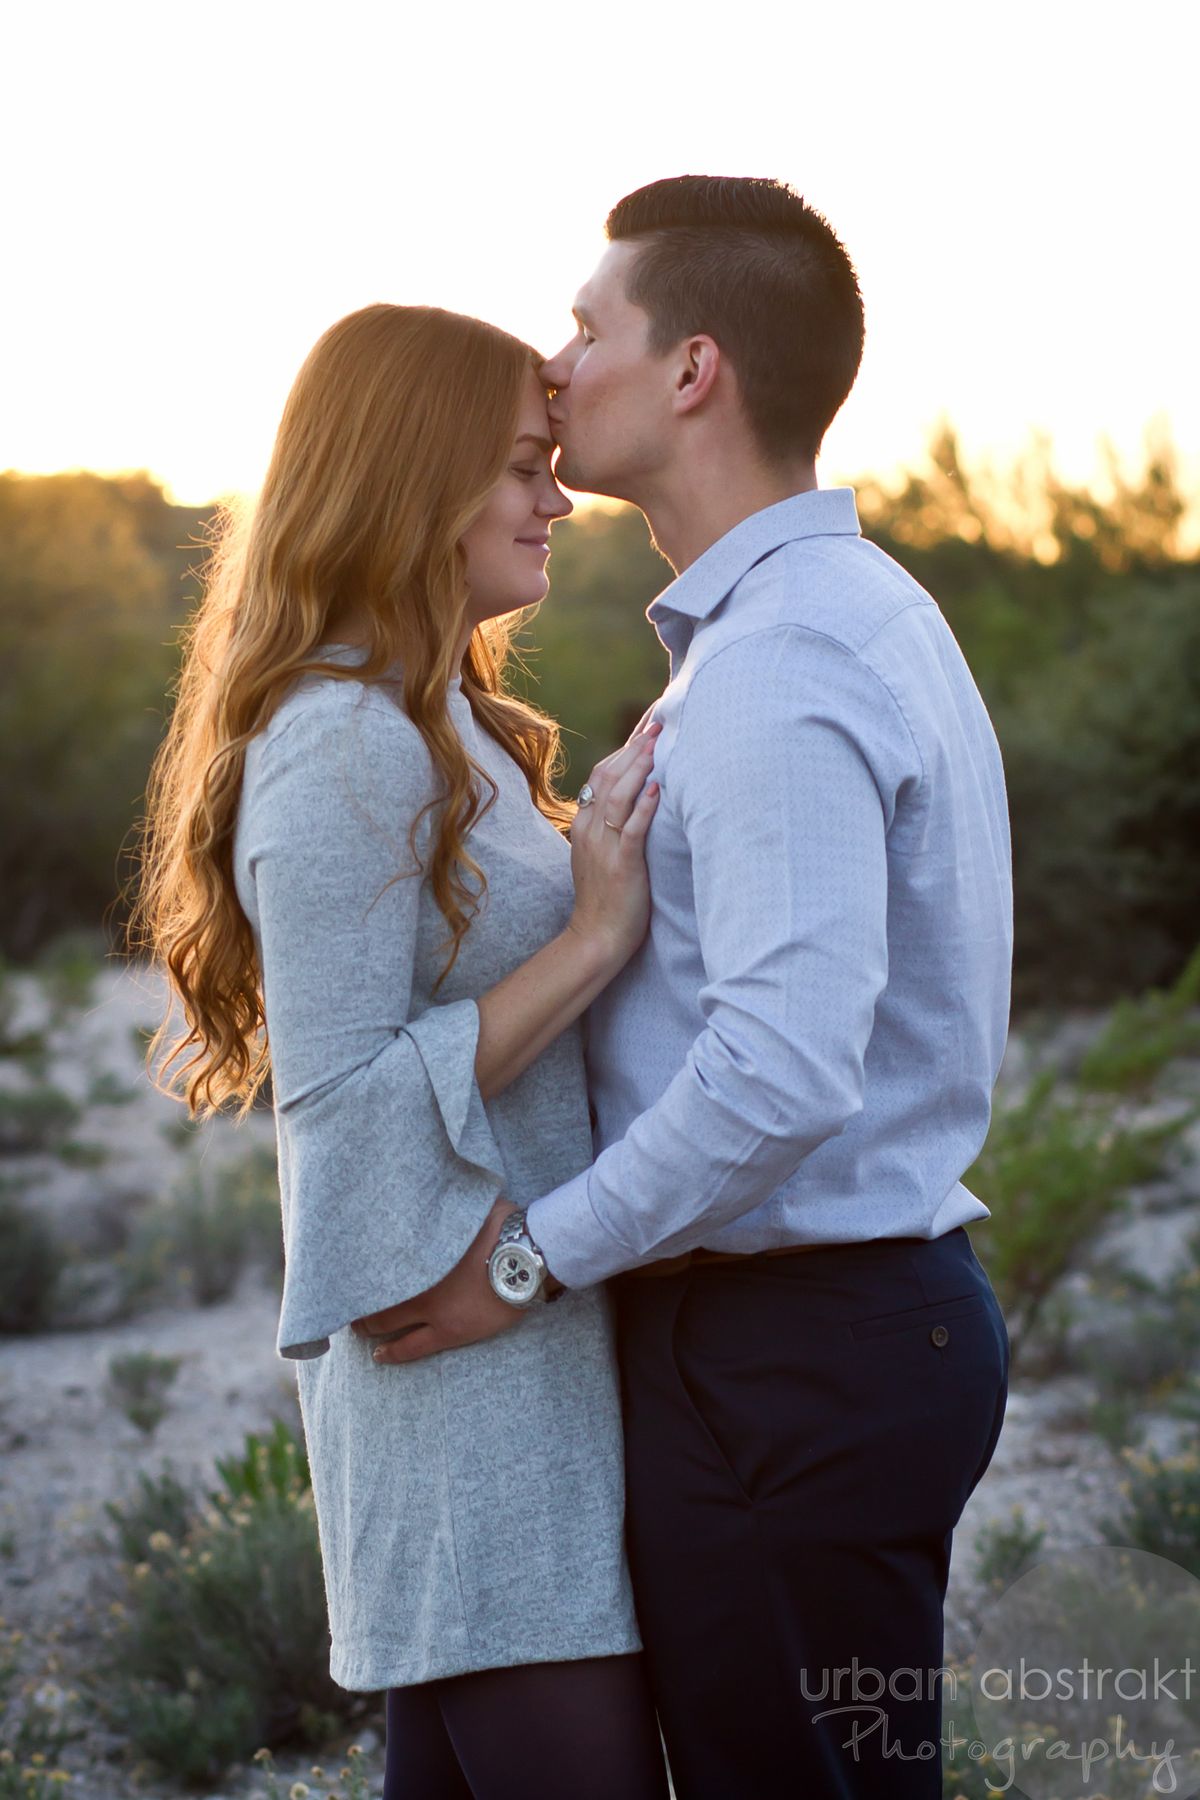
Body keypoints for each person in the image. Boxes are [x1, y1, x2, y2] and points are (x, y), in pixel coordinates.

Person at [360, 177, 1014, 1799]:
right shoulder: (824, 622)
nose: (556, 358)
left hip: (789, 1358)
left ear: (695, 370)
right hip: (803, 1348)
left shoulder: (784, 661)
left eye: (590, 327)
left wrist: (524, 1264)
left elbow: (783, 1069)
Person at [133, 302, 670, 1800]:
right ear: (407, 480)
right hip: (451, 1371)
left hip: (520, 1345)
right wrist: (594, 937)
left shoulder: (449, 723)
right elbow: (343, 1098)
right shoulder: (340, 743)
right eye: (520, 467)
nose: (557, 500)